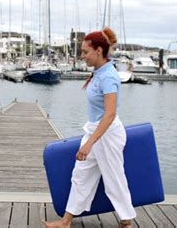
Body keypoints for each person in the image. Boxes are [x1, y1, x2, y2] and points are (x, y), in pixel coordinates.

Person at [44, 27, 136, 228]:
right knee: (81, 175)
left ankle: (126, 222)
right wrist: (90, 141)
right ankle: (66, 221)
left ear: (99, 51)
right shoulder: (99, 73)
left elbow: (110, 114)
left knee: (114, 179)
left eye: (85, 52)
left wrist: (89, 144)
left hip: (107, 135)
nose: (82, 56)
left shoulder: (109, 77)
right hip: (95, 131)